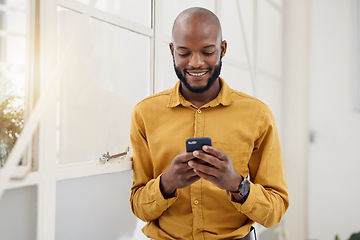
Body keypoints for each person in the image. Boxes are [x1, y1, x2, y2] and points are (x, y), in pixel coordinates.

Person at [130, 7, 289, 240]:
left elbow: (275, 212)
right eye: (184, 53)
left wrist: (236, 184)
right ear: (172, 51)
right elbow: (139, 207)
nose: (196, 63)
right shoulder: (145, 114)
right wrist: (167, 183)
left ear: (222, 49)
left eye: (207, 51)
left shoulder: (258, 115)